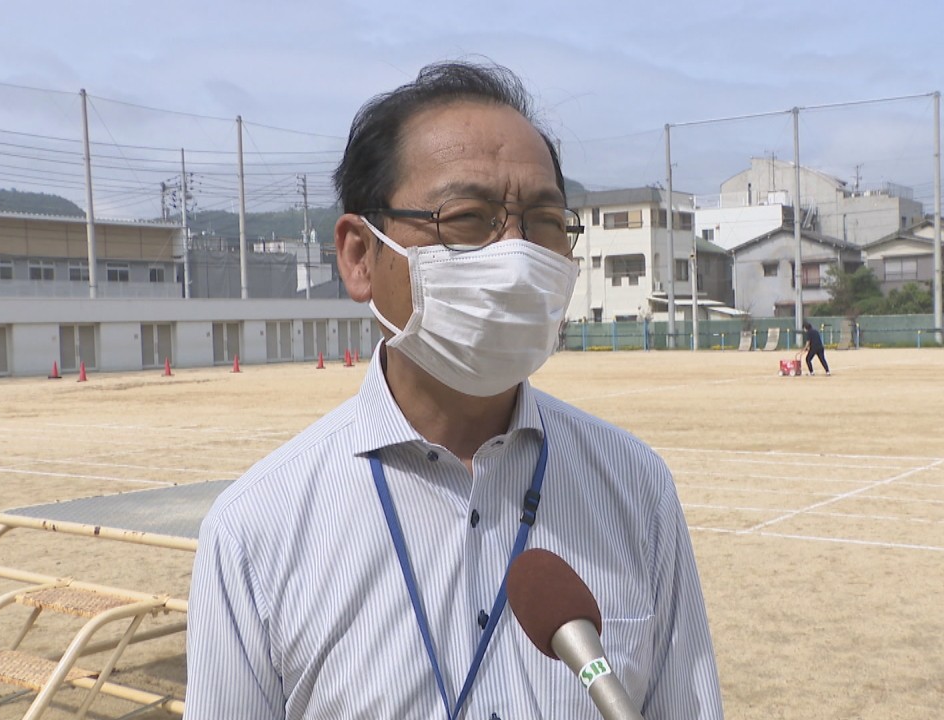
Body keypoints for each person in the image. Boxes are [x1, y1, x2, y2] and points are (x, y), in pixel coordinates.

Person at [186, 61, 724, 719]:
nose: (517, 254)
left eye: (546, 220)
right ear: (360, 256)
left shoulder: (637, 489)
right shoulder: (256, 530)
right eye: (467, 218)